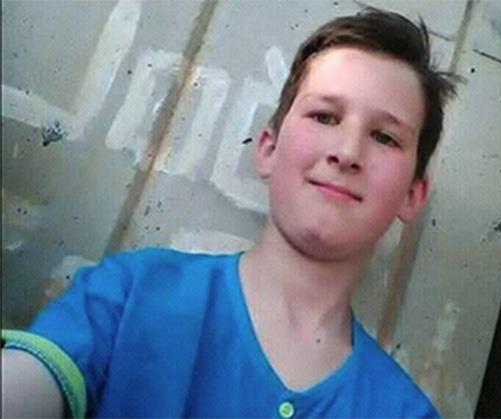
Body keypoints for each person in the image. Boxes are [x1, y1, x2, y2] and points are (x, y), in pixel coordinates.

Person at [2, 6, 457, 418]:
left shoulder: (405, 413)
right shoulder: (128, 295)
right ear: (268, 149)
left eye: (385, 137)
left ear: (413, 194)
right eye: (324, 117)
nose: (347, 151)